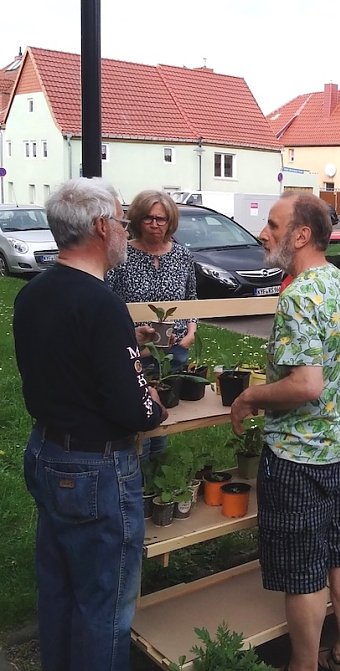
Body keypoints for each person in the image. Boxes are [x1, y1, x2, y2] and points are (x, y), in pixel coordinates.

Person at [13, 177, 168, 671]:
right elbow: (134, 410)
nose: (125, 229)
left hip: (45, 452)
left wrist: (124, 341)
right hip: (95, 469)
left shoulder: (34, 292)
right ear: (102, 227)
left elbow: (67, 361)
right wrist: (155, 404)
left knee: (59, 593)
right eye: (122, 220)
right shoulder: (102, 303)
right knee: (104, 608)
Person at [229, 193, 340, 671]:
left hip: (297, 459)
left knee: (304, 574)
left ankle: (302, 666)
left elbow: (307, 384)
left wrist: (249, 397)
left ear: (301, 235)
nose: (263, 233)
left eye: (272, 225)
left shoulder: (298, 295)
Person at [106, 190, 197, 458]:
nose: (156, 224)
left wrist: (191, 332)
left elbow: (192, 299)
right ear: (137, 219)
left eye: (162, 219)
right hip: (136, 353)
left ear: (171, 222)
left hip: (175, 351)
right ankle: (137, 480)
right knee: (138, 425)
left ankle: (158, 479)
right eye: (149, 218)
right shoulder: (121, 255)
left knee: (165, 423)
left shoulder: (182, 256)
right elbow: (108, 304)